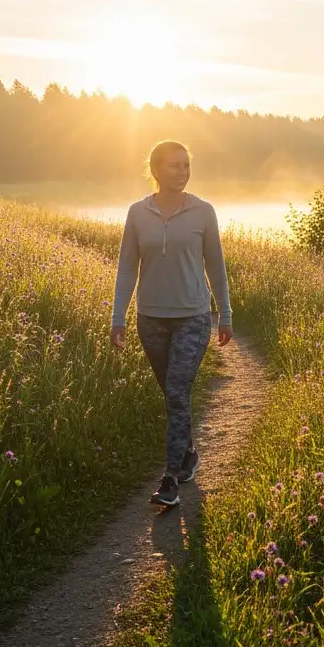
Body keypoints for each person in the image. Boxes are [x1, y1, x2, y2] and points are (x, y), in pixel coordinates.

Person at [110, 140, 233, 506]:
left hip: (193, 317)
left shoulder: (203, 212)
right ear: (157, 170)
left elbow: (216, 266)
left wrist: (224, 313)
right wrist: (118, 318)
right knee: (172, 396)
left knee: (177, 392)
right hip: (151, 319)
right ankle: (189, 454)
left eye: (186, 165)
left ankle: (170, 479)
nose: (183, 171)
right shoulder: (137, 213)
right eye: (175, 166)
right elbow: (127, 268)